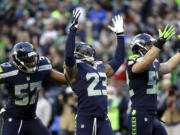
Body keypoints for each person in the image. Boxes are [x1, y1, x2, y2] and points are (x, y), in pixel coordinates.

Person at [64, 9, 125, 135]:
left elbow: (119, 59)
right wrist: (72, 31)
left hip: (103, 119)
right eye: (86, 52)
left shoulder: (100, 66)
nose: (90, 53)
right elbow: (69, 58)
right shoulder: (75, 69)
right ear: (80, 54)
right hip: (86, 118)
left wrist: (120, 35)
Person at [0, 42, 66, 135]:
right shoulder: (9, 71)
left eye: (33, 59)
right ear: (18, 61)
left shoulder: (42, 67)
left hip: (31, 118)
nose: (32, 62)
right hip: (14, 119)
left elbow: (66, 80)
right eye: (28, 60)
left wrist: (77, 81)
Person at [127, 24, 179, 135]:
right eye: (149, 45)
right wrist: (159, 43)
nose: (152, 47)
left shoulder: (153, 63)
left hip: (152, 114)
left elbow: (169, 65)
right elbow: (144, 63)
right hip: (140, 113)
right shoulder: (133, 60)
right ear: (139, 46)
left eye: (153, 45)